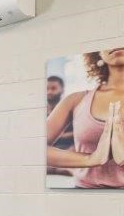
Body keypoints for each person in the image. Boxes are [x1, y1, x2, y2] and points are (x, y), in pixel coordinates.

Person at [46, 49, 124, 188]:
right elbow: (35, 148)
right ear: (98, 54)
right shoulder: (75, 100)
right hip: (84, 194)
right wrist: (90, 159)